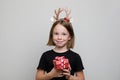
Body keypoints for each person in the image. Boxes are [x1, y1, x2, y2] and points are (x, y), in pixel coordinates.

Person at [36, 8, 85, 80]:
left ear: (69, 37)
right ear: (52, 35)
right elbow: (38, 78)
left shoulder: (75, 57)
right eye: (56, 33)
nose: (59, 37)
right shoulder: (45, 55)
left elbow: (82, 79)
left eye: (64, 34)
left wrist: (69, 77)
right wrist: (51, 75)